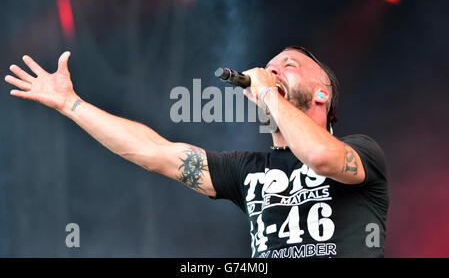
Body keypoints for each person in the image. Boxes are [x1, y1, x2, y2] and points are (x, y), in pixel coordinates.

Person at [4, 46, 388, 258]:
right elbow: (153, 151)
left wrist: (268, 91)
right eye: (267, 68)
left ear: (323, 93)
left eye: (288, 66)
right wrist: (71, 104)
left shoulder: (361, 153)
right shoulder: (246, 171)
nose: (271, 72)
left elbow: (320, 157)